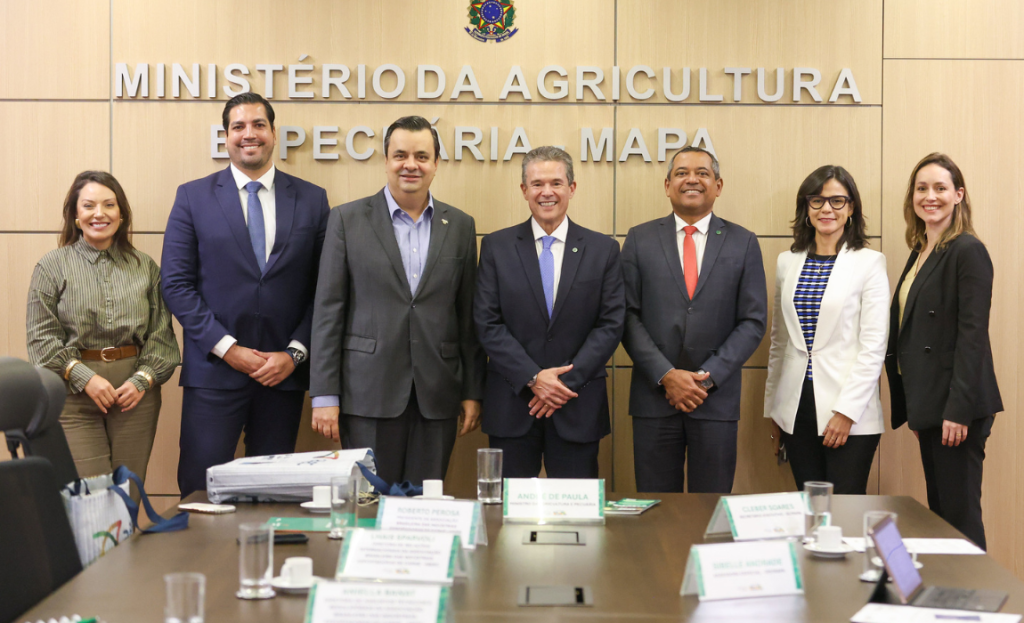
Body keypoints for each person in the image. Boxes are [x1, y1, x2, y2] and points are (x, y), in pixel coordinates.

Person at [161, 92, 330, 498]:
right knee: (201, 490)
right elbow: (176, 284)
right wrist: (228, 349)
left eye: (258, 125)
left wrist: (294, 354)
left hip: (282, 376)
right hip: (214, 373)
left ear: (274, 133)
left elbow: (325, 289)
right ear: (226, 136)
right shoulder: (193, 196)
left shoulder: (312, 199)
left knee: (270, 495)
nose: (249, 134)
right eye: (238, 126)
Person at [310, 115, 486, 487]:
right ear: (386, 160)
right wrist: (324, 395)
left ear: (436, 163)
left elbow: (467, 317)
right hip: (366, 393)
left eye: (422, 156)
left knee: (425, 505)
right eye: (401, 155)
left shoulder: (460, 225)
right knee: (369, 504)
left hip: (437, 394)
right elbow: (328, 311)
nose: (411, 165)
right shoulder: (347, 220)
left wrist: (472, 391)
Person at [621, 146, 767, 493]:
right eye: (682, 173)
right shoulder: (639, 239)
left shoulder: (743, 242)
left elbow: (752, 321)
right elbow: (625, 315)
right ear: (667, 185)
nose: (692, 180)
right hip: (654, 399)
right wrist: (666, 375)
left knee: (710, 506)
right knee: (657, 510)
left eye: (702, 173)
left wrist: (706, 379)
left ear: (718, 185)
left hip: (715, 400)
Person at [474, 146, 624, 478]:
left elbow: (611, 325)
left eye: (556, 183)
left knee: (577, 506)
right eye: (537, 184)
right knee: (507, 506)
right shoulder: (497, 247)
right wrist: (533, 377)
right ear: (524, 190)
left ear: (572, 188)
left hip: (576, 402)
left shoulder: (603, 250)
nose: (547, 192)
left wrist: (559, 384)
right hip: (513, 403)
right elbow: (487, 322)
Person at [27, 171, 180, 493]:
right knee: (93, 498)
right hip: (74, 396)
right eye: (89, 206)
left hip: (135, 398)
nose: (100, 213)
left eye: (109, 205)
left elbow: (161, 337)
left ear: (121, 214)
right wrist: (86, 378)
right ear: (75, 216)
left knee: (128, 493)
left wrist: (141, 381)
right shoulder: (51, 266)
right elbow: (41, 339)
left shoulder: (145, 267)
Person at [886, 153, 1001, 550]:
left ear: (958, 195)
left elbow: (973, 336)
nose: (929, 196)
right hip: (931, 404)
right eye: (921, 188)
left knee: (960, 521)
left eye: (940, 188)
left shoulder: (967, 250)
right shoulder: (920, 251)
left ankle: (977, 590)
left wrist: (958, 410)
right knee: (941, 519)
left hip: (957, 409)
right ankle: (949, 589)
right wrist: (917, 406)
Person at [763, 165, 889, 494]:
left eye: (837, 200)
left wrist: (846, 412)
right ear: (806, 208)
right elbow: (779, 341)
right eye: (817, 200)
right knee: (811, 508)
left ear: (851, 208)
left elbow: (873, 346)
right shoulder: (787, 262)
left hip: (849, 409)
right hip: (796, 408)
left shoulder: (869, 262)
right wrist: (774, 409)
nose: (826, 209)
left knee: (845, 507)